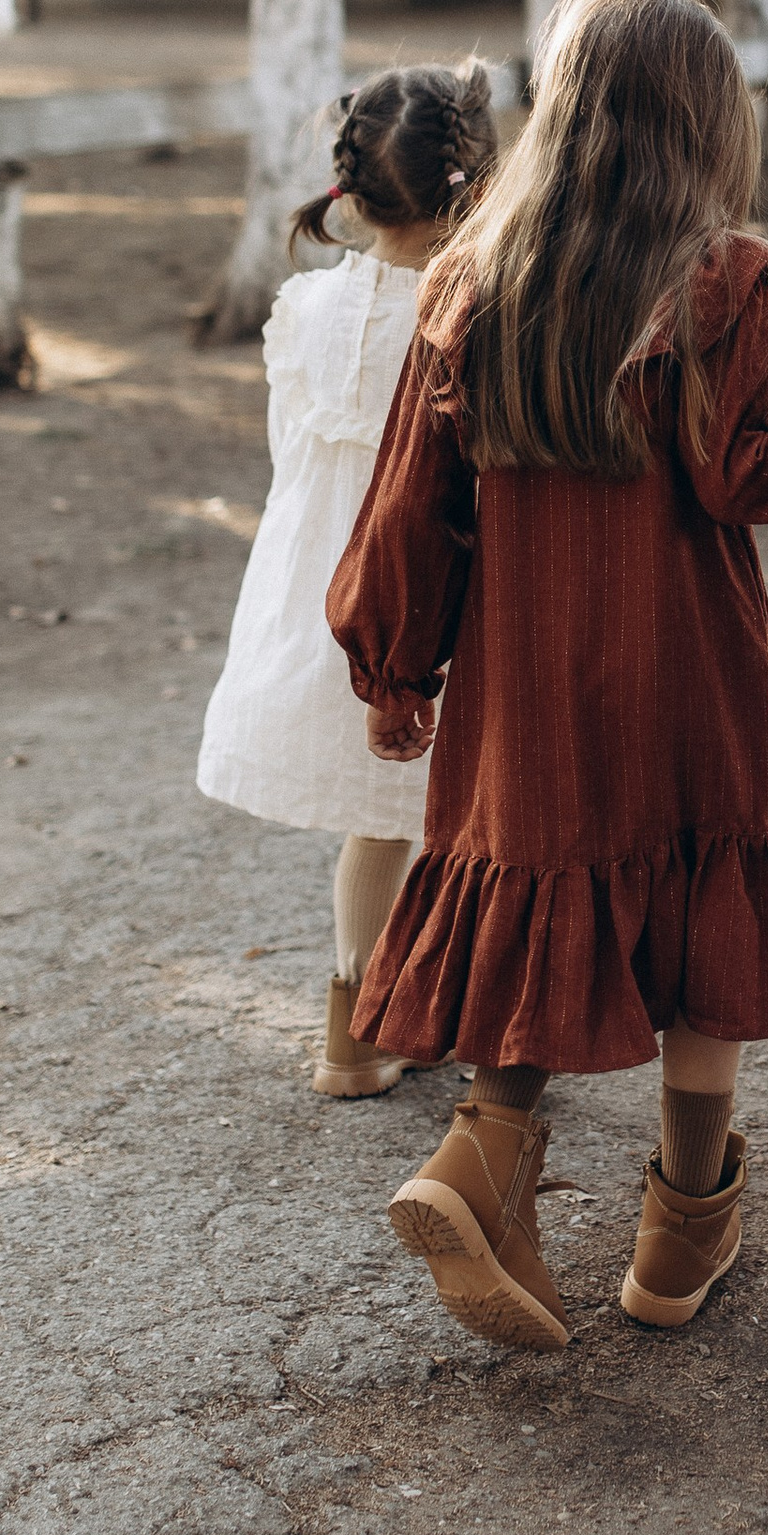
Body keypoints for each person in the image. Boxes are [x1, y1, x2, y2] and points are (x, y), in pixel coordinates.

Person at [327, 0, 768, 1355]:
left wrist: (395, 664)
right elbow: (745, 475)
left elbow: (413, 503)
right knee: (702, 935)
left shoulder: (470, 283)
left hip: (526, 692)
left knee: (541, 910)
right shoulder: (720, 281)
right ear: (706, 127)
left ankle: (482, 1156)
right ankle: (679, 1228)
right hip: (686, 676)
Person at [197, 62, 497, 1097]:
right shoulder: (477, 310)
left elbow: (292, 453)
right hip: (438, 594)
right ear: (474, 183)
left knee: (380, 817)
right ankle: (449, 1015)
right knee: (468, 816)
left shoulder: (305, 306)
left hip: (328, 583)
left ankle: (356, 1029)